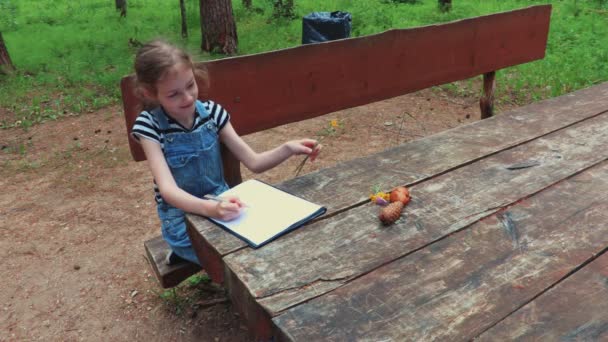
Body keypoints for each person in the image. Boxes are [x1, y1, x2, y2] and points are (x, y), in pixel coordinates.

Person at [131, 40, 321, 265]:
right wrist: (210, 209)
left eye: (191, 85)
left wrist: (288, 148)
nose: (188, 98)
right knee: (243, 259)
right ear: (150, 93)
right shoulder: (150, 126)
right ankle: (188, 254)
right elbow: (168, 190)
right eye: (174, 94)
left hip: (225, 205)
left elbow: (254, 162)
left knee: (273, 241)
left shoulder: (212, 113)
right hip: (183, 218)